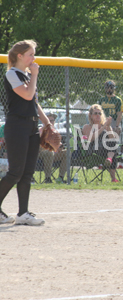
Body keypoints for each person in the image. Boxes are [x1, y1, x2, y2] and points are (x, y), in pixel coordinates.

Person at [0, 40, 50, 225]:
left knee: (27, 173)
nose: (33, 58)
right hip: (17, 126)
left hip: (31, 127)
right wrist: (34, 75)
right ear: (19, 56)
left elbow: (34, 103)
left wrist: (46, 123)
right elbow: (28, 95)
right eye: (30, 54)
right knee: (15, 172)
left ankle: (23, 214)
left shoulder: (28, 76)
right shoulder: (12, 74)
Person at [82, 104, 119, 182]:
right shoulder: (87, 127)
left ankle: (109, 159)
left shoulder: (105, 125)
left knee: (112, 143)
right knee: (111, 150)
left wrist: (108, 126)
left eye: (100, 113)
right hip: (94, 151)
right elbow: (90, 139)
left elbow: (112, 138)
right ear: (90, 115)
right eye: (95, 113)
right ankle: (113, 177)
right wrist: (103, 127)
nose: (98, 115)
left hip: (106, 151)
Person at [38, 113, 67, 183]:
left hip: (54, 154)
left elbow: (58, 145)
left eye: (52, 120)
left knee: (66, 152)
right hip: (42, 154)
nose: (51, 122)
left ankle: (60, 178)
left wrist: (60, 147)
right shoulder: (40, 131)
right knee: (49, 152)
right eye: (49, 120)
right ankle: (48, 178)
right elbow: (39, 146)